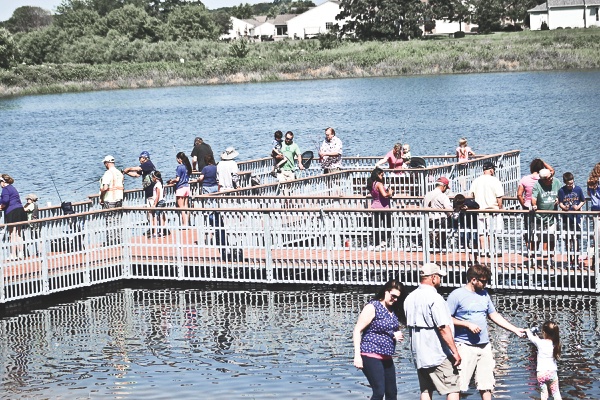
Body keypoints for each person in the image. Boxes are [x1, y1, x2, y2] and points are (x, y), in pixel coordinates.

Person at [446, 264, 525, 399]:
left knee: (486, 385)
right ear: (473, 279)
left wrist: (514, 329)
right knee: (458, 386)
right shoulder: (457, 295)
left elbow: (494, 315)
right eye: (483, 281)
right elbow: (446, 319)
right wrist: (466, 324)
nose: (485, 284)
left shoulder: (484, 294)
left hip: (484, 346)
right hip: (464, 346)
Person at [404, 263, 461, 400]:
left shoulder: (410, 297)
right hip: (437, 353)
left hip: (419, 353)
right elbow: (442, 327)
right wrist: (454, 351)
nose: (440, 280)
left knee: (425, 389)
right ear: (433, 278)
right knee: (453, 388)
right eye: (439, 276)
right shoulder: (435, 298)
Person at [353, 280, 405, 400]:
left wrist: (395, 334)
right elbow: (357, 330)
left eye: (398, 297)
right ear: (386, 292)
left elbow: (387, 330)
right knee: (379, 392)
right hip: (370, 353)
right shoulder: (373, 307)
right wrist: (357, 356)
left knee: (392, 393)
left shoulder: (392, 310)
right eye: (393, 296)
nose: (395, 299)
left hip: (386, 355)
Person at [517, 159, 555, 254]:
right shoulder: (543, 177)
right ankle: (545, 252)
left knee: (529, 229)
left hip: (528, 207)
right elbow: (552, 171)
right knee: (545, 229)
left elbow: (519, 194)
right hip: (543, 207)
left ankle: (531, 251)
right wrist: (543, 162)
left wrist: (524, 205)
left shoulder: (525, 179)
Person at [469, 161, 504, 256]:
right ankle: (493, 251)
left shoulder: (476, 180)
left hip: (480, 210)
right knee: (492, 232)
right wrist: (500, 208)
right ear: (491, 170)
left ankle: (483, 251)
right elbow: (499, 197)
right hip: (493, 210)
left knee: (481, 232)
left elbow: (471, 195)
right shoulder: (495, 180)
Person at [525, 321, 562, 400]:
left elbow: (531, 338)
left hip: (541, 373)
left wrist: (527, 331)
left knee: (544, 395)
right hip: (552, 372)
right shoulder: (556, 344)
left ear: (544, 332)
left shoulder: (540, 343)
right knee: (556, 394)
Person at [531, 168, 561, 266]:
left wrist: (558, 199)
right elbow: (534, 197)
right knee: (536, 239)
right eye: (549, 178)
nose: (551, 179)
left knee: (551, 238)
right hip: (538, 217)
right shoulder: (537, 185)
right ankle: (533, 258)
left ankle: (550, 258)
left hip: (552, 216)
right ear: (543, 179)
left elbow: (561, 193)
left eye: (551, 177)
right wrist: (534, 205)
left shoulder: (556, 182)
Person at [123, 151, 156, 235]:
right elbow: (136, 175)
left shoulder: (148, 164)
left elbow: (138, 168)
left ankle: (155, 229)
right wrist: (126, 172)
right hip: (149, 193)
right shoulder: (145, 167)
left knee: (152, 211)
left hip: (152, 192)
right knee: (149, 212)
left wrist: (128, 168)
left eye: (140, 158)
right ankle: (152, 228)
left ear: (144, 158)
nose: (139, 160)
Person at [558, 172, 585, 267]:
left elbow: (583, 200)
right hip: (566, 218)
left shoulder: (578, 189)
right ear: (565, 182)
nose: (570, 186)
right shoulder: (561, 191)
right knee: (567, 239)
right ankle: (569, 260)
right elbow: (560, 202)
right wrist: (564, 208)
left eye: (572, 183)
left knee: (576, 239)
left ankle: (576, 259)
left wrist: (578, 207)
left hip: (576, 218)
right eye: (568, 184)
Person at [0, 174, 28, 260]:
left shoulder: (5, 189)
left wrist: (1, 206)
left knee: (12, 234)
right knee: (18, 233)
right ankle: (21, 253)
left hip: (12, 211)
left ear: (3, 182)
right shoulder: (13, 188)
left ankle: (13, 254)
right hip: (20, 210)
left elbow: (5, 200)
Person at [423, 176, 453, 251]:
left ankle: (433, 245)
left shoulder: (427, 195)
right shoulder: (443, 196)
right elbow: (449, 209)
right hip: (441, 220)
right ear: (444, 186)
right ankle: (442, 246)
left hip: (429, 220)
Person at [99, 156, 124, 246]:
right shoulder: (119, 173)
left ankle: (110, 241)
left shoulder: (108, 173)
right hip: (119, 199)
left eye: (104, 163)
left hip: (109, 199)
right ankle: (118, 239)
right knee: (118, 220)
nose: (104, 165)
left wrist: (101, 197)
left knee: (109, 221)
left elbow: (105, 188)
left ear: (107, 163)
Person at [367, 167, 394, 250]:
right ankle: (386, 242)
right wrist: (390, 193)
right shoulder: (379, 184)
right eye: (382, 175)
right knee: (388, 225)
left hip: (375, 206)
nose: (383, 177)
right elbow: (384, 195)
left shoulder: (372, 183)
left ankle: (377, 243)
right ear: (378, 175)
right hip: (384, 207)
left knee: (376, 226)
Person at [450, 194, 480, 259]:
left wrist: (468, 207)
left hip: (472, 223)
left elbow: (477, 206)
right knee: (466, 241)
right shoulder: (455, 203)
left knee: (474, 240)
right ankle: (469, 258)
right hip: (463, 224)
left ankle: (475, 258)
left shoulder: (469, 202)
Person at [168, 152, 192, 227]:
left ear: (179, 159)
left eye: (177, 159)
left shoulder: (179, 167)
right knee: (186, 206)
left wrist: (172, 181)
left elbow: (178, 179)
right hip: (187, 187)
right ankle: (187, 223)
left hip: (180, 188)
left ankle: (184, 224)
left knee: (181, 208)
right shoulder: (187, 166)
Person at [150, 171, 167, 238]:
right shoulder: (162, 184)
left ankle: (155, 232)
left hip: (159, 201)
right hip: (163, 201)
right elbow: (164, 193)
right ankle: (162, 232)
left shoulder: (157, 185)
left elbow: (157, 195)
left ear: (155, 177)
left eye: (152, 177)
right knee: (161, 216)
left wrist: (154, 204)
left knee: (155, 216)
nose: (152, 178)